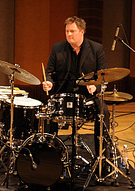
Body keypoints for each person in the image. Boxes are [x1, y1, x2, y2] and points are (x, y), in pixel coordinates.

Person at [42, 16, 109, 151]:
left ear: (82, 31)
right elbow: (49, 72)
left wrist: (95, 86)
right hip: (62, 93)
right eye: (67, 31)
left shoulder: (96, 49)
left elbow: (104, 76)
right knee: (48, 113)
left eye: (72, 31)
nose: (69, 34)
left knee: (104, 112)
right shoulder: (57, 48)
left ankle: (101, 154)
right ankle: (50, 153)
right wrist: (48, 82)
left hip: (87, 96)